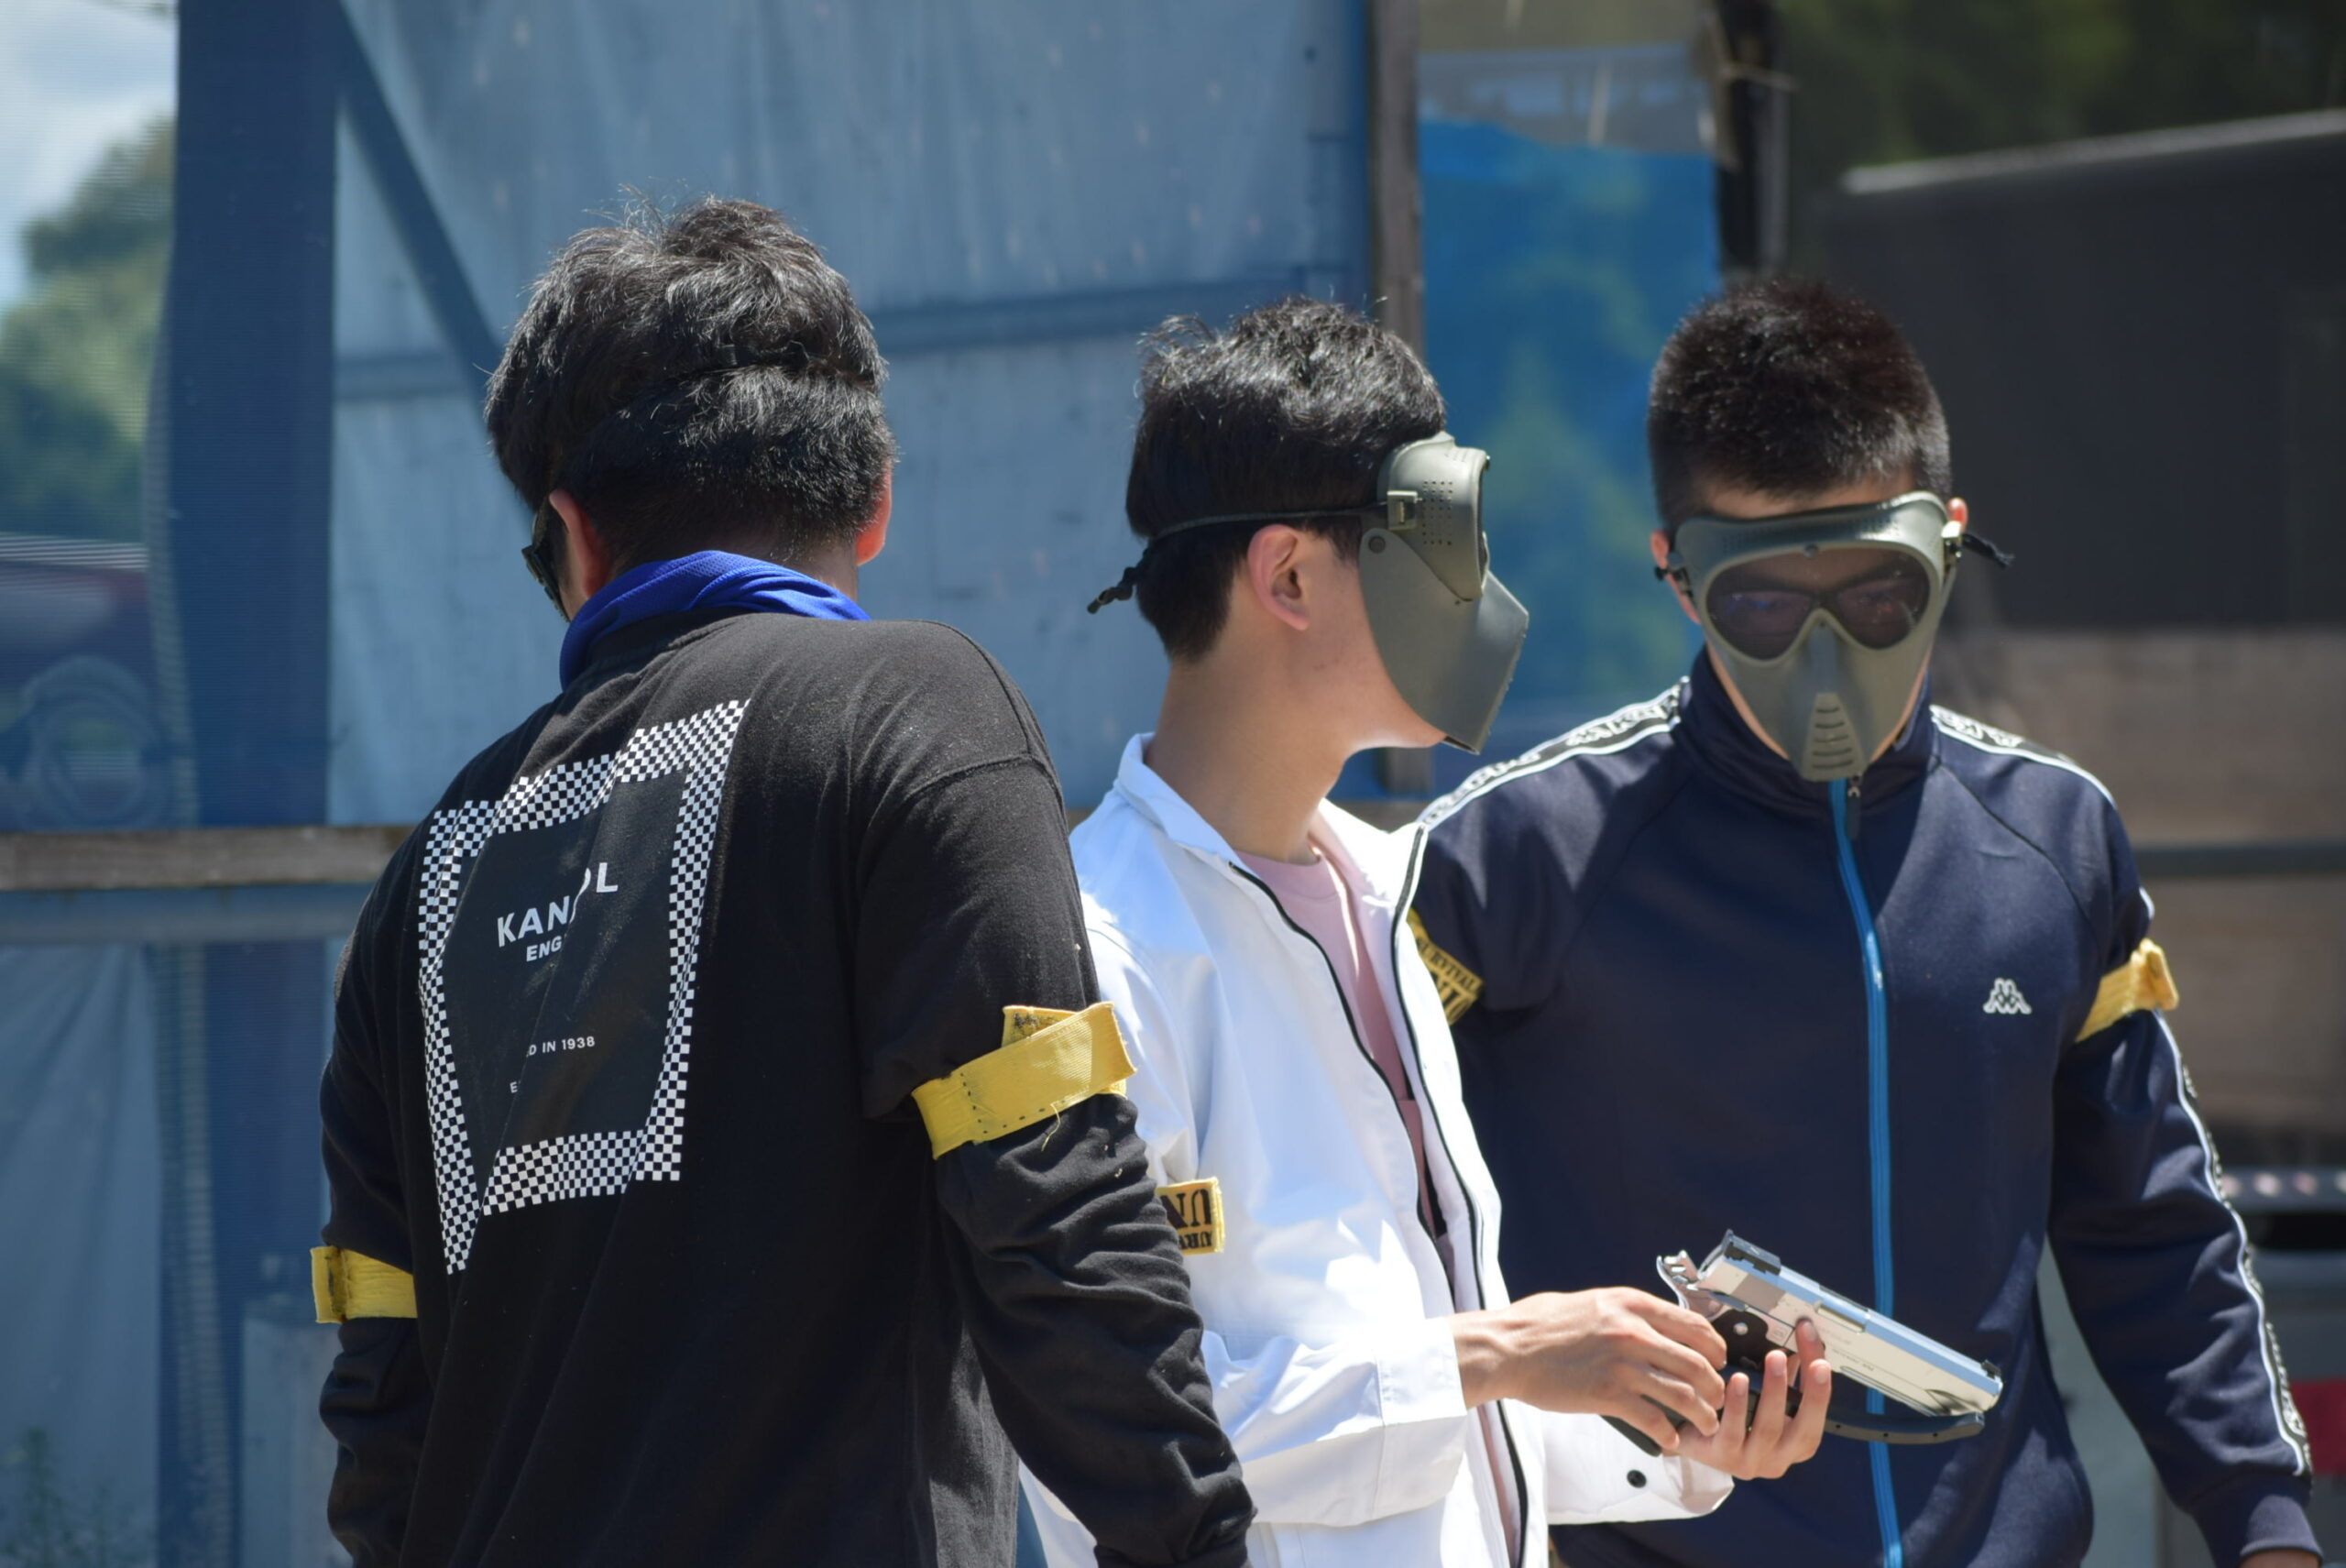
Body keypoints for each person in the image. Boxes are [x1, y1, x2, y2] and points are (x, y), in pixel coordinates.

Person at [311, 198, 1255, 1568]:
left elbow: (383, 1396)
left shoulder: (423, 882)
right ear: (874, 504)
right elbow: (1054, 1211)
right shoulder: (908, 716)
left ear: (574, 539)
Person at [1411, 277, 2321, 1568]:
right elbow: (1348, 1216)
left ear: (1951, 543)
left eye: (1878, 593)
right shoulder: (1515, 860)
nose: (1826, 654)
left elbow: (2154, 1226)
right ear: (1678, 576)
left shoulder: (2054, 843)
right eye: (1766, 603)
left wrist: (2268, 1527)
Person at [1026, 297, 1832, 1568]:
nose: (1481, 591)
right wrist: (1498, 1353)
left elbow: (1425, 1411)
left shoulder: (1381, 894)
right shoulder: (1093, 949)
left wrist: (1664, 1416)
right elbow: (1108, 1431)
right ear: (1290, 577)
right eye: (1439, 540)